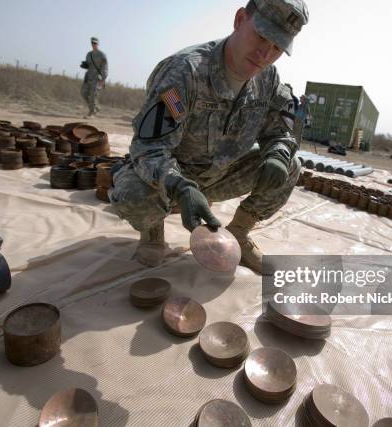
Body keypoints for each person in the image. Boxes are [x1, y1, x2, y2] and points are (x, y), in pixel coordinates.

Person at [109, 0, 309, 273]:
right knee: (133, 194)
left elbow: (281, 130)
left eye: (277, 47)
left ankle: (239, 232)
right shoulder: (185, 72)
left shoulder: (268, 79)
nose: (265, 53)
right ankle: (153, 232)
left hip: (220, 176)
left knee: (290, 165)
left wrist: (278, 151)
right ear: (239, 19)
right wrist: (180, 186)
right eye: (262, 36)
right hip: (171, 180)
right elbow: (149, 148)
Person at [81, 37, 108, 119]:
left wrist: (103, 79)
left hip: (97, 78)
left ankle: (92, 113)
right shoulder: (89, 54)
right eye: (92, 43)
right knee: (84, 93)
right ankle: (96, 108)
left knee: (93, 95)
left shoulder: (102, 55)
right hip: (88, 76)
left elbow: (105, 67)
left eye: (95, 43)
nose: (94, 44)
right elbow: (89, 65)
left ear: (98, 44)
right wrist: (85, 65)